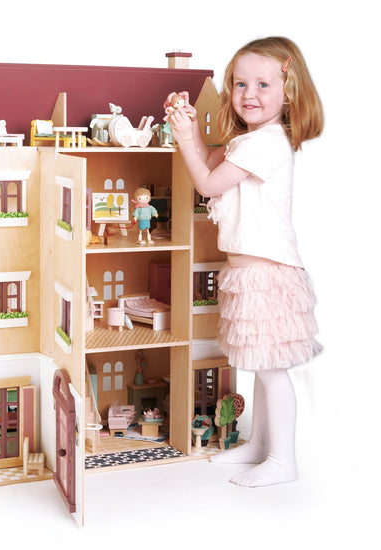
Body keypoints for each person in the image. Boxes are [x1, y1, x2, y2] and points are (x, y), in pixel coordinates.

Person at [168, 36, 323, 487]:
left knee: (272, 370)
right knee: (260, 363)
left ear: (288, 92)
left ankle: (283, 460)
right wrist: (189, 127)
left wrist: (184, 137)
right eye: (240, 84)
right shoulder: (248, 140)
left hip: (266, 274)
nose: (248, 94)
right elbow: (207, 160)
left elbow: (207, 183)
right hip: (249, 273)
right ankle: (260, 445)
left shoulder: (266, 143)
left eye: (262, 84)